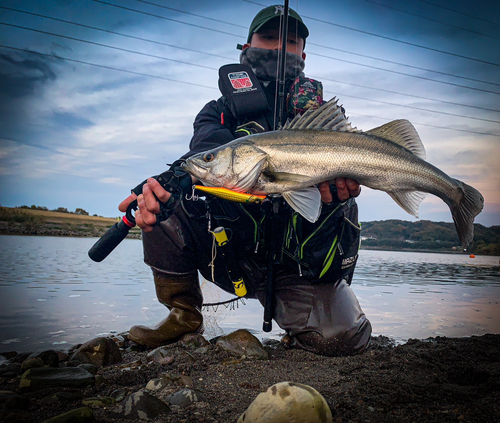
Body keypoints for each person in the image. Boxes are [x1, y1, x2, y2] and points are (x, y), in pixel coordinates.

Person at [119, 5, 372, 356]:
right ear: (245, 46)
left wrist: (337, 196)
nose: (277, 48)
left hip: (296, 265)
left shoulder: (322, 117)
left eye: (290, 41)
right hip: (228, 254)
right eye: (267, 37)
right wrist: (164, 185)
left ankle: (308, 314)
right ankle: (183, 314)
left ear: (304, 54)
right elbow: (208, 153)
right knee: (167, 201)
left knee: (345, 338)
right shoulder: (215, 111)